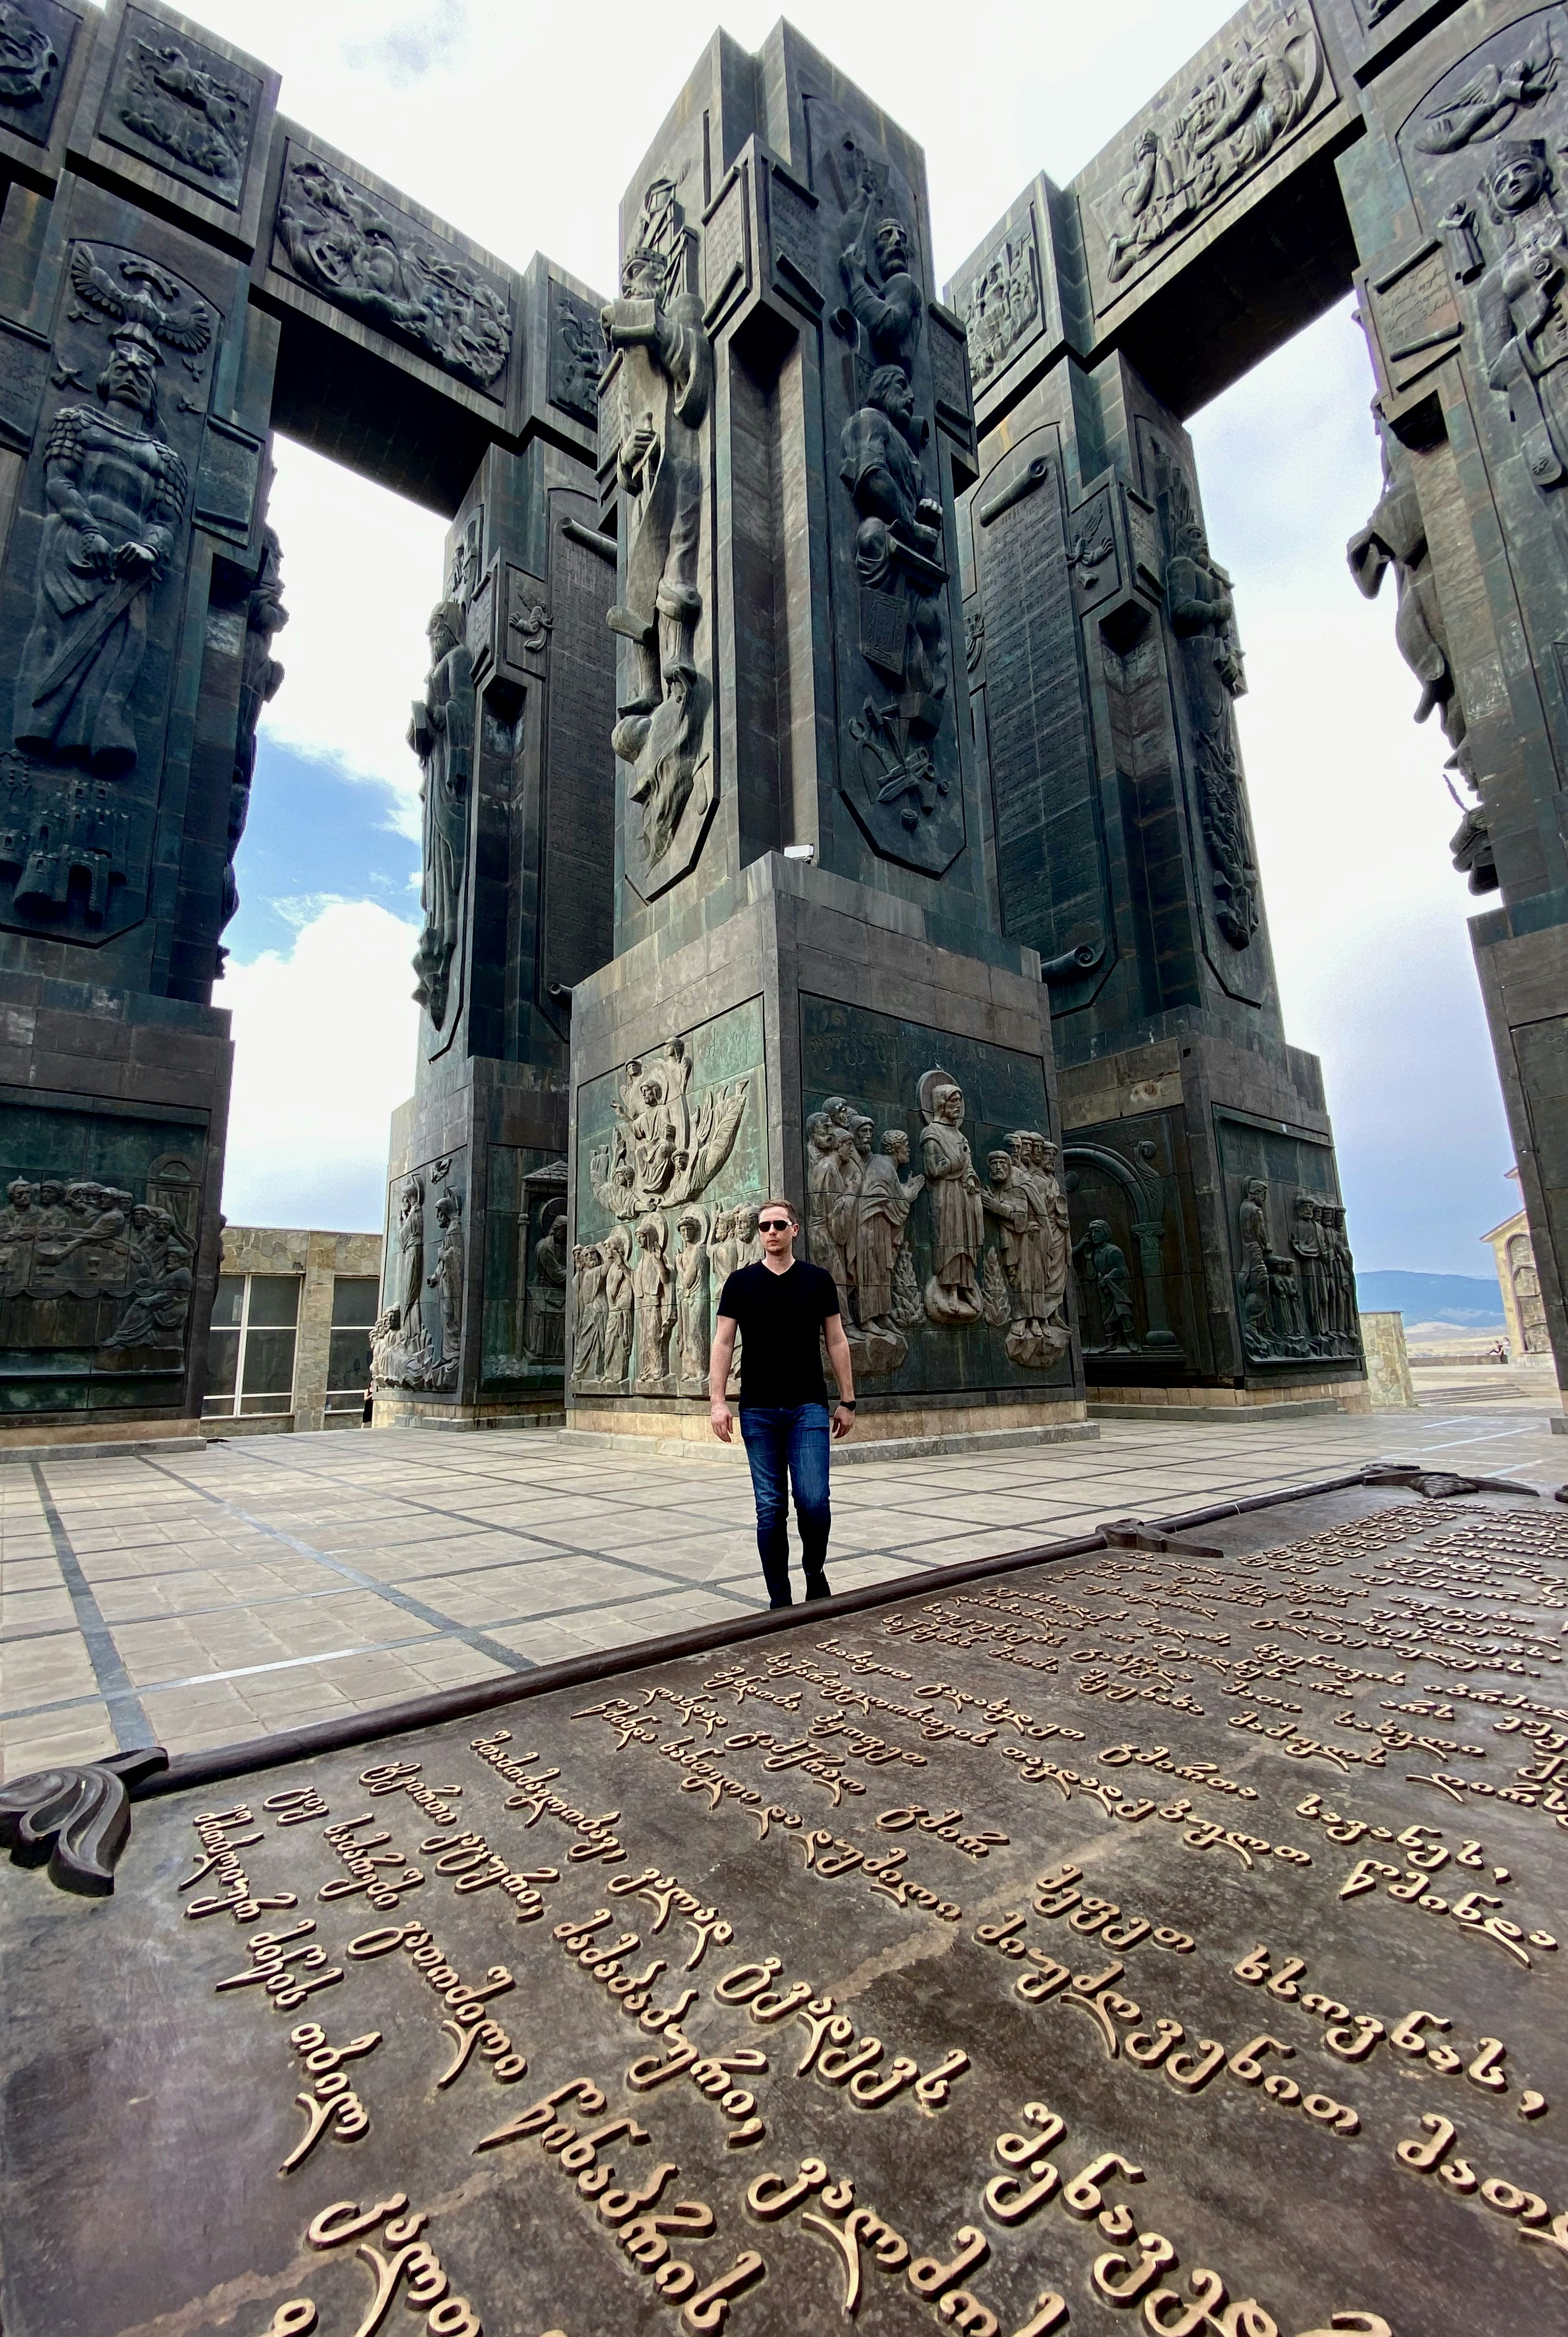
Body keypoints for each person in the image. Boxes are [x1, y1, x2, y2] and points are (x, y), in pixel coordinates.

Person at [709, 1196, 855, 1609]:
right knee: (770, 1507)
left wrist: (848, 1400)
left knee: (813, 1500)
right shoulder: (740, 1283)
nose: (770, 1232)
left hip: (807, 1405)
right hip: (757, 1408)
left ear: (794, 1229)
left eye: (778, 1225)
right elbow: (722, 1343)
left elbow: (836, 1339)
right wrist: (718, 1402)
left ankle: (814, 1569)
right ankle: (779, 1600)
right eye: (763, 1227)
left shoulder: (817, 1279)